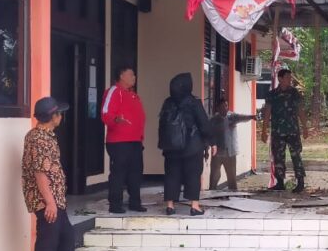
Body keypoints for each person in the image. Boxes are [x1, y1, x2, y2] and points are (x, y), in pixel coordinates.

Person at [21, 97, 88, 251]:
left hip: (55, 199)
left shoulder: (44, 135)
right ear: (53, 116)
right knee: (47, 242)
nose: (61, 117)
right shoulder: (39, 139)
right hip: (46, 199)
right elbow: (40, 173)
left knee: (66, 235)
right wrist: (50, 203)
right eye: (60, 113)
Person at [158, 73, 214, 216]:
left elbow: (162, 125)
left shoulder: (167, 102)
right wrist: (211, 142)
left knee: (171, 174)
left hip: (171, 148)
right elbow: (204, 125)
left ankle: (170, 206)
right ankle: (194, 206)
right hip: (192, 147)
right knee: (193, 174)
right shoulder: (194, 102)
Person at [101, 66, 147, 214]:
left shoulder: (133, 94)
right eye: (131, 74)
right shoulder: (114, 91)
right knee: (118, 173)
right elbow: (105, 113)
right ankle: (115, 205)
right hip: (119, 142)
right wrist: (116, 119)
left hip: (135, 141)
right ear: (121, 75)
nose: (134, 77)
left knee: (136, 172)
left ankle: (135, 202)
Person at [261, 68, 308, 192]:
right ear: (280, 78)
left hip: (293, 131)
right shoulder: (272, 94)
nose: (290, 80)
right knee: (278, 157)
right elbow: (267, 113)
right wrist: (264, 131)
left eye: (290, 78)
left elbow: (300, 111)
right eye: (287, 77)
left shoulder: (294, 93)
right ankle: (280, 182)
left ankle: (300, 182)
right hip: (278, 131)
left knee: (296, 156)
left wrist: (305, 127)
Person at [209, 97, 256, 191]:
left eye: (226, 106)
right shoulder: (213, 120)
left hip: (230, 152)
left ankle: (233, 194)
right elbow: (208, 134)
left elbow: (242, 117)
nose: (225, 108)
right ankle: (212, 193)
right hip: (218, 152)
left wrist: (251, 117)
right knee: (214, 176)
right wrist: (206, 148)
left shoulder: (232, 116)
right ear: (218, 108)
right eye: (222, 107)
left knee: (232, 177)